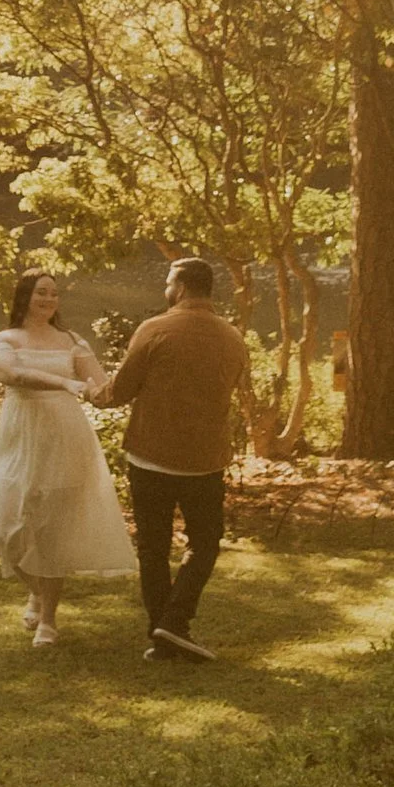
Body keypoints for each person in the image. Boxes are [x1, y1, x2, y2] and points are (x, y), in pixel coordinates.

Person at [100, 256, 253, 660]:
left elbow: (119, 391)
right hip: (206, 459)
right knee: (204, 543)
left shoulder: (155, 329)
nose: (166, 290)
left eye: (169, 283)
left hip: (151, 456)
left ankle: (164, 626)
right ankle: (173, 624)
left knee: (153, 548)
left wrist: (90, 391)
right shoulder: (234, 338)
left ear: (181, 287)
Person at [0, 267, 136, 647]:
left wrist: (127, 383)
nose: (49, 300)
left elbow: (100, 388)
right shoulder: (4, 339)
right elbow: (12, 374)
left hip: (66, 437)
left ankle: (48, 620)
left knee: (53, 532)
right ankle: (36, 589)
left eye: (54, 293)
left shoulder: (71, 340)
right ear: (24, 297)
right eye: (41, 293)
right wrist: (66, 382)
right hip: (20, 436)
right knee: (7, 532)